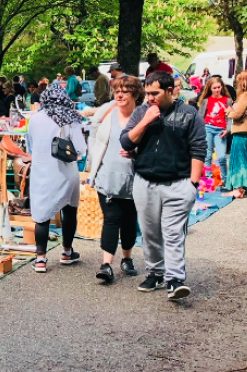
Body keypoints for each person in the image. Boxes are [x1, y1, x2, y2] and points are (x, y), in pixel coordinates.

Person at [121, 70, 206, 302]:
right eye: (147, 93)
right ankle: (156, 273)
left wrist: (193, 184)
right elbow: (126, 140)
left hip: (178, 183)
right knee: (150, 233)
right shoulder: (141, 112)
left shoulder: (189, 114)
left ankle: (175, 280)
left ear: (170, 91)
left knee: (173, 233)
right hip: (145, 182)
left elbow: (198, 148)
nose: (150, 97)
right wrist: (147, 119)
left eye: (155, 93)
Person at [87, 75, 143, 284]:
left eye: (125, 91)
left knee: (129, 221)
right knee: (111, 219)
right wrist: (92, 173)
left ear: (135, 94)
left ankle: (127, 259)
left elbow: (149, 150)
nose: (119, 94)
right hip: (107, 179)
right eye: (117, 90)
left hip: (133, 181)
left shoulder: (142, 118)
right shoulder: (109, 115)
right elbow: (97, 144)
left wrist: (135, 154)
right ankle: (106, 265)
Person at [27, 84, 87, 272]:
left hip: (40, 171)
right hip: (66, 171)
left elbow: (31, 146)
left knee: (41, 215)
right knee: (69, 210)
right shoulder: (71, 118)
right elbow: (81, 150)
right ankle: (67, 252)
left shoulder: (34, 119)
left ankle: (40, 259)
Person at [196, 76, 231, 185]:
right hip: (208, 127)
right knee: (207, 155)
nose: (217, 90)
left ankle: (226, 180)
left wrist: (227, 130)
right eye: (214, 88)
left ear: (222, 87)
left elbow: (230, 118)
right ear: (210, 88)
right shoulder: (206, 101)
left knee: (221, 157)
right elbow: (200, 116)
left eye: (218, 87)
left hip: (220, 130)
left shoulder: (227, 101)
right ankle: (208, 180)